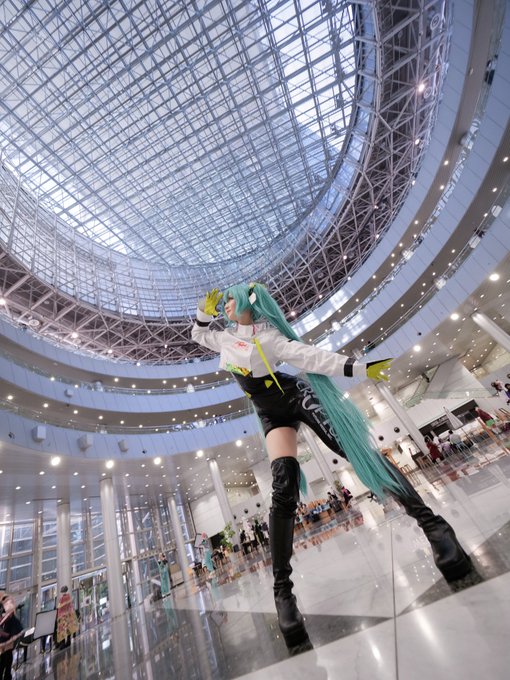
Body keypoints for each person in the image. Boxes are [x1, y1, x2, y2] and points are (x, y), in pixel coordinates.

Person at [191, 283, 471, 652]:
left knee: (355, 452)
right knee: (282, 490)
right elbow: (198, 335)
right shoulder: (226, 338)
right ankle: (283, 593)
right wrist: (203, 313)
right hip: (271, 414)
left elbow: (312, 358)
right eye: (224, 300)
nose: (226, 304)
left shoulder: (270, 337)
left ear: (248, 301)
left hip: (296, 397)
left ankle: (435, 527)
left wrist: (360, 367)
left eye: (231, 299)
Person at [0, 592, 23, 680]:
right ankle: (6, 674)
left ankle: (7, 674)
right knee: (5, 654)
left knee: (7, 654)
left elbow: (9, 612)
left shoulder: (7, 600)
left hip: (9, 630)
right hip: (5, 630)